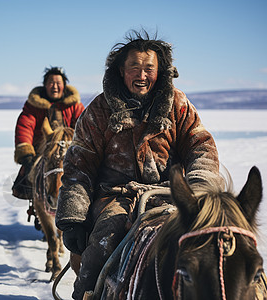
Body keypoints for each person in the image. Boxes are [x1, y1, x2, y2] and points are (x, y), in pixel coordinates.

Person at [55, 30, 220, 299]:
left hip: (172, 194)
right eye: (135, 67)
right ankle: (86, 294)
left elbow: (201, 146)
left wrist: (199, 192)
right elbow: (79, 167)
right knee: (104, 240)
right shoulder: (99, 111)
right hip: (116, 197)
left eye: (149, 68)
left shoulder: (178, 105)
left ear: (161, 72)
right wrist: (73, 220)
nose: (142, 76)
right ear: (121, 71)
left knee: (218, 244)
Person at [12, 67, 85, 200]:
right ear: (45, 85)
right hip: (41, 151)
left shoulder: (74, 106)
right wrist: (26, 154)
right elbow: (25, 127)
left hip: (68, 150)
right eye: (51, 83)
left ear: (64, 86)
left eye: (58, 83)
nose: (55, 87)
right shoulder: (33, 106)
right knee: (30, 177)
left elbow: (83, 127)